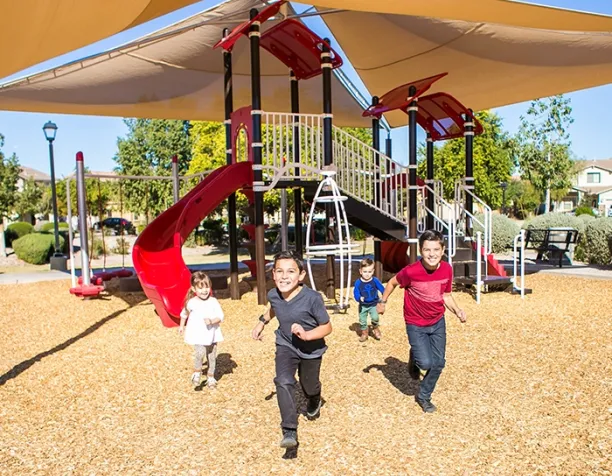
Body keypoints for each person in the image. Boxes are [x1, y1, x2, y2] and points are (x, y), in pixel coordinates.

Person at [377, 230, 466, 413]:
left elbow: (446, 295)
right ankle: (416, 357)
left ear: (443, 250)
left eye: (435, 249)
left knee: (439, 363)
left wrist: (457, 310)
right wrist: (383, 301)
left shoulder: (447, 269)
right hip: (415, 323)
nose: (431, 254)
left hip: (437, 321)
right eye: (427, 250)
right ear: (420, 250)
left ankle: (424, 396)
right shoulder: (411, 272)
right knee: (425, 363)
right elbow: (392, 282)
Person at [251, 251, 332, 449]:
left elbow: (327, 327)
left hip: (311, 349)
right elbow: (273, 308)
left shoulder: (312, 298)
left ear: (301, 275)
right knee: (283, 380)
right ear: (273, 275)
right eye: (279, 271)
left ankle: (314, 397)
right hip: (286, 344)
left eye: (290, 271)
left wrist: (306, 335)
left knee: (309, 385)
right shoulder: (274, 294)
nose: (284, 276)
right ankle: (289, 430)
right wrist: (262, 323)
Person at [179, 271, 224, 389]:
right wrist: (181, 326)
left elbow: (220, 316)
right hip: (198, 335)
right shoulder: (191, 303)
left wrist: (212, 321)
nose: (204, 290)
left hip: (212, 334)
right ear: (194, 289)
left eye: (207, 287)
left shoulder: (213, 302)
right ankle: (197, 372)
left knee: (211, 355)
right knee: (200, 353)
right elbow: (184, 314)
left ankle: (210, 377)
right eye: (201, 288)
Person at [353, 258, 385, 342]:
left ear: (373, 271)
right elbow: (356, 292)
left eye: (370, 272)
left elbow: (382, 289)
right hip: (363, 305)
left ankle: (375, 327)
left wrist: (384, 297)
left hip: (373, 304)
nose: (367, 274)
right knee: (362, 320)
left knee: (375, 317)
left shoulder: (375, 281)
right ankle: (364, 333)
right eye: (365, 272)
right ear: (360, 271)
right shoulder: (358, 282)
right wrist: (359, 298)